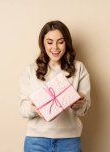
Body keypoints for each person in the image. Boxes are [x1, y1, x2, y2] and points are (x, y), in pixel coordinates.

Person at [19, 20, 91, 152]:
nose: (55, 47)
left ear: (67, 43)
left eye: (61, 42)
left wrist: (79, 103)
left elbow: (83, 110)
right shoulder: (30, 70)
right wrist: (35, 108)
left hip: (69, 141)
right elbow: (23, 109)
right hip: (36, 142)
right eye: (50, 42)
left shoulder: (79, 68)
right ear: (43, 43)